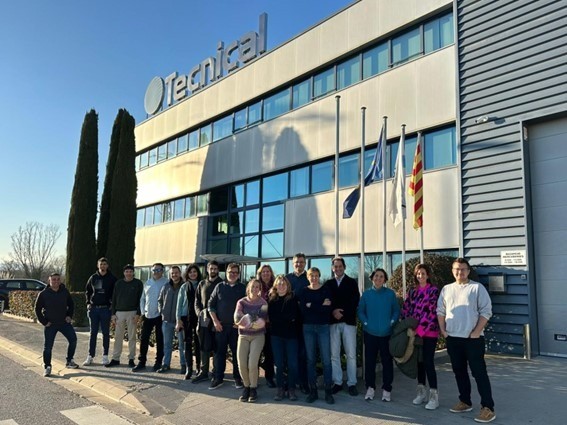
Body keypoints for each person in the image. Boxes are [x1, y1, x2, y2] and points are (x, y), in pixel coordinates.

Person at [438, 258, 496, 423]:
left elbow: (486, 311)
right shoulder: (447, 289)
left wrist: (477, 332)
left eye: (463, 269)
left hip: (473, 339)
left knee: (479, 373)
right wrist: (443, 330)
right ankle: (465, 401)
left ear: (468, 271)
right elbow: (440, 310)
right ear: (452, 270)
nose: (460, 272)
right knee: (459, 371)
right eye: (457, 269)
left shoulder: (477, 288)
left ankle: (488, 408)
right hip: (453, 338)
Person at [400, 263, 440, 409]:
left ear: (427, 275)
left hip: (429, 332)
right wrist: (407, 326)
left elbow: (431, 312)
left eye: (423, 273)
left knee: (428, 362)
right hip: (414, 332)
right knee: (419, 362)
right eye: (418, 273)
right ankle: (421, 392)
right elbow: (406, 309)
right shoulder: (412, 291)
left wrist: (419, 331)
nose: (420, 276)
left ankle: (434, 396)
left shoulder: (433, 291)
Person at [357, 268, 399, 402]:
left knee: (387, 362)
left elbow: (396, 311)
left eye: (381, 276)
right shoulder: (366, 294)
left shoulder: (390, 294)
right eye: (376, 276)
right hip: (370, 334)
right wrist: (365, 323)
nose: (378, 278)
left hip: (386, 334)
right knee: (370, 362)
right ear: (372, 278)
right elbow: (361, 311)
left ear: (385, 279)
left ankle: (387, 389)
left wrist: (392, 321)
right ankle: (370, 387)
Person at [297, 267, 334, 404]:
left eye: (316, 275)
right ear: (308, 277)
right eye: (311, 275)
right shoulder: (304, 291)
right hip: (308, 328)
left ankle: (328, 391)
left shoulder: (325, 290)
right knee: (310, 360)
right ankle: (313, 391)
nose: (314, 278)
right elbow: (303, 311)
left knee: (326, 360)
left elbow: (327, 310)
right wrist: (320, 305)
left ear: (319, 276)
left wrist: (311, 305)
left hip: (323, 327)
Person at [326, 256, 360, 396]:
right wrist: (333, 311)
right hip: (333, 322)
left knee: (351, 354)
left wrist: (342, 313)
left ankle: (352, 383)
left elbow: (355, 301)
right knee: (334, 354)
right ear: (332, 268)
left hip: (348, 322)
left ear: (344, 267)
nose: (338, 268)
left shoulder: (352, 282)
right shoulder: (328, 284)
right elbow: (326, 301)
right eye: (335, 266)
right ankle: (338, 382)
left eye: (340, 266)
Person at [208, 262, 246, 390]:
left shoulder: (243, 288)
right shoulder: (219, 287)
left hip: (236, 328)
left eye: (236, 272)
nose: (233, 274)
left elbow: (248, 307)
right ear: (226, 273)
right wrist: (215, 321)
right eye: (231, 272)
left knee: (237, 354)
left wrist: (241, 323)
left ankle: (237, 378)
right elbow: (210, 306)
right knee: (219, 353)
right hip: (221, 326)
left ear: (238, 274)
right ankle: (218, 378)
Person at [35, 273, 79, 376]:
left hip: (64, 323)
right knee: (48, 347)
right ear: (49, 280)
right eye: (53, 279)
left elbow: (71, 304)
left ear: (60, 281)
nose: (56, 281)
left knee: (73, 340)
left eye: (58, 279)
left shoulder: (64, 291)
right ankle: (47, 367)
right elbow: (37, 309)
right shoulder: (43, 294)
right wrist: (44, 322)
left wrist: (69, 316)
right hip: (50, 324)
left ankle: (69, 361)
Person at [234, 279, 268, 403]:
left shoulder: (263, 303)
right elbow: (237, 317)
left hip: (258, 336)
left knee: (252, 364)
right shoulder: (241, 302)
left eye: (257, 287)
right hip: (243, 336)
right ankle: (246, 387)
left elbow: (262, 322)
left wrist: (246, 319)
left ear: (260, 289)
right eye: (253, 286)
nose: (255, 289)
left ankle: (253, 388)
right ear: (249, 287)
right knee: (241, 363)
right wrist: (251, 320)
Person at [268, 275, 300, 401]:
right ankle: (280, 389)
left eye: (283, 284)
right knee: (279, 365)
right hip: (276, 337)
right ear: (275, 286)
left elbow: (294, 316)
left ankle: (291, 389)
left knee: (292, 364)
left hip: (291, 337)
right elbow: (272, 318)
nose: (281, 286)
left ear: (287, 286)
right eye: (279, 284)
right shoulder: (272, 300)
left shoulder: (293, 298)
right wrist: (286, 318)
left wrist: (283, 318)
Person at [133, 263, 168, 372]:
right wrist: (143, 312)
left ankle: (158, 362)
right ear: (152, 271)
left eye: (159, 270)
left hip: (160, 316)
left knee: (159, 339)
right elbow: (142, 299)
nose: (156, 272)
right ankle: (141, 362)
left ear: (162, 271)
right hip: (147, 316)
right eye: (154, 270)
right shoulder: (147, 283)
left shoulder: (166, 283)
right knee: (144, 339)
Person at [107, 264, 143, 368]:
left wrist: (138, 313)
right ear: (124, 273)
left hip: (132, 313)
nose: (128, 273)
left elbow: (141, 300)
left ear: (133, 272)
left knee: (132, 337)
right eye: (126, 271)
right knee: (118, 336)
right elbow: (114, 299)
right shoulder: (119, 283)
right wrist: (113, 314)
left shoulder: (138, 283)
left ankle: (131, 359)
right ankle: (115, 358)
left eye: (130, 271)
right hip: (119, 313)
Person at [192, 260, 223, 384]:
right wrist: (199, 313)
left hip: (217, 321)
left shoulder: (222, 284)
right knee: (204, 347)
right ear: (207, 269)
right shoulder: (202, 284)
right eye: (211, 268)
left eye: (215, 269)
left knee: (216, 348)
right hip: (204, 321)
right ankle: (203, 372)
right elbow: (196, 301)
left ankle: (215, 373)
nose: (213, 271)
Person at [83, 257, 116, 366]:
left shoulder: (112, 278)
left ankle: (105, 356)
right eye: (101, 264)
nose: (103, 266)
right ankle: (90, 356)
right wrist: (88, 303)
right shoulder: (93, 278)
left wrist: (112, 305)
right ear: (98, 266)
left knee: (106, 333)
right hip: (93, 309)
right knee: (93, 333)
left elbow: (114, 294)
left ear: (107, 266)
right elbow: (87, 291)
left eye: (105, 264)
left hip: (105, 309)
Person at [285, 252, 309, 394]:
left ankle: (303, 382)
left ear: (305, 263)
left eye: (301, 262)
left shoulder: (309, 278)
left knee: (303, 353)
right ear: (293, 264)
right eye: (296, 262)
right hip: (289, 322)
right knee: (290, 354)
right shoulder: (287, 279)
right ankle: (290, 382)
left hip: (305, 322)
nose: (299, 264)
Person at [157, 265, 184, 373]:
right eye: (172, 273)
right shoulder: (166, 286)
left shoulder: (184, 286)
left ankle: (183, 365)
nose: (174, 275)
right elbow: (160, 301)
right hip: (167, 321)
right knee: (167, 345)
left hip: (180, 321)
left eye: (176, 272)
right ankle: (166, 364)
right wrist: (161, 311)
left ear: (180, 273)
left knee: (182, 345)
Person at [176, 264, 200, 379]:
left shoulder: (202, 284)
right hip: (186, 318)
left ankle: (199, 368)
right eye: (190, 272)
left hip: (199, 318)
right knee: (187, 344)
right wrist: (178, 320)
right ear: (187, 274)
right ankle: (189, 368)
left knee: (199, 343)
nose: (192, 274)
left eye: (194, 272)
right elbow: (179, 305)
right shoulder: (184, 287)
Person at [256, 264, 275, 388]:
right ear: (260, 274)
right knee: (256, 352)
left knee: (269, 353)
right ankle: (254, 377)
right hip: (258, 325)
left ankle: (269, 377)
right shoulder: (256, 287)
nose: (266, 274)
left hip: (271, 326)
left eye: (268, 271)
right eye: (263, 272)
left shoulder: (276, 286)